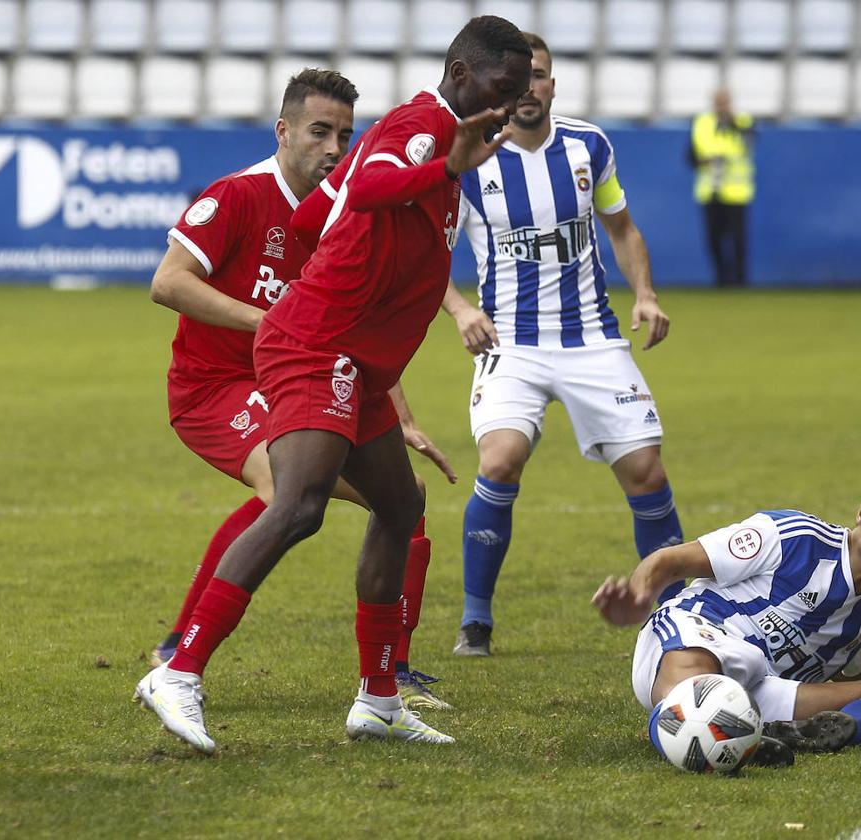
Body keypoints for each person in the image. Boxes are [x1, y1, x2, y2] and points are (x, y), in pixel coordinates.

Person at [134, 16, 533, 755]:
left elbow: (333, 204)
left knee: (400, 504)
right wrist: (445, 168)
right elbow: (380, 181)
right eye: (501, 90)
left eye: (518, 93)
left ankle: (379, 699)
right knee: (298, 504)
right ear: (460, 76)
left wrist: (347, 247)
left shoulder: (424, 141)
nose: (508, 106)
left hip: (356, 358)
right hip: (316, 347)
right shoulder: (424, 132)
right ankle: (179, 667)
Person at [145, 68, 457, 712]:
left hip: (306, 380)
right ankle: (179, 651)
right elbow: (167, 282)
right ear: (282, 131)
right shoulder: (237, 196)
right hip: (216, 388)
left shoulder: (340, 208)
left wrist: (399, 414)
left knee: (407, 498)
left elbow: (356, 323)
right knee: (286, 493)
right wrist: (266, 318)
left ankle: (391, 674)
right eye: (319, 131)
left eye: (345, 134)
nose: (333, 147)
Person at [441, 32, 683, 658]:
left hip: (592, 338)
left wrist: (647, 294)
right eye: (520, 80)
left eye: (540, 76)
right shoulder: (468, 159)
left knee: (647, 472)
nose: (530, 90)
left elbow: (622, 228)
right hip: (509, 341)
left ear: (553, 83)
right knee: (499, 462)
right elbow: (424, 254)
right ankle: (476, 621)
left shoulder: (589, 146)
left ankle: (684, 611)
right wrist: (460, 306)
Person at [592, 463, 861, 767]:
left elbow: (854, 670)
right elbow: (671, 561)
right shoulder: (794, 536)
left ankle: (783, 736)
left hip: (766, 691)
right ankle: (686, 723)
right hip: (697, 636)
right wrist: (641, 595)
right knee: (703, 679)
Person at [688, 88, 754, 288]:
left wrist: (732, 124)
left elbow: (748, 143)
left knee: (738, 240)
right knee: (714, 239)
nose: (722, 106)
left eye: (725, 102)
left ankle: (740, 282)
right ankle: (720, 280)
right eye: (718, 102)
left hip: (736, 193)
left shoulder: (742, 121)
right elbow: (690, 157)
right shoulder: (702, 123)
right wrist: (704, 160)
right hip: (710, 192)